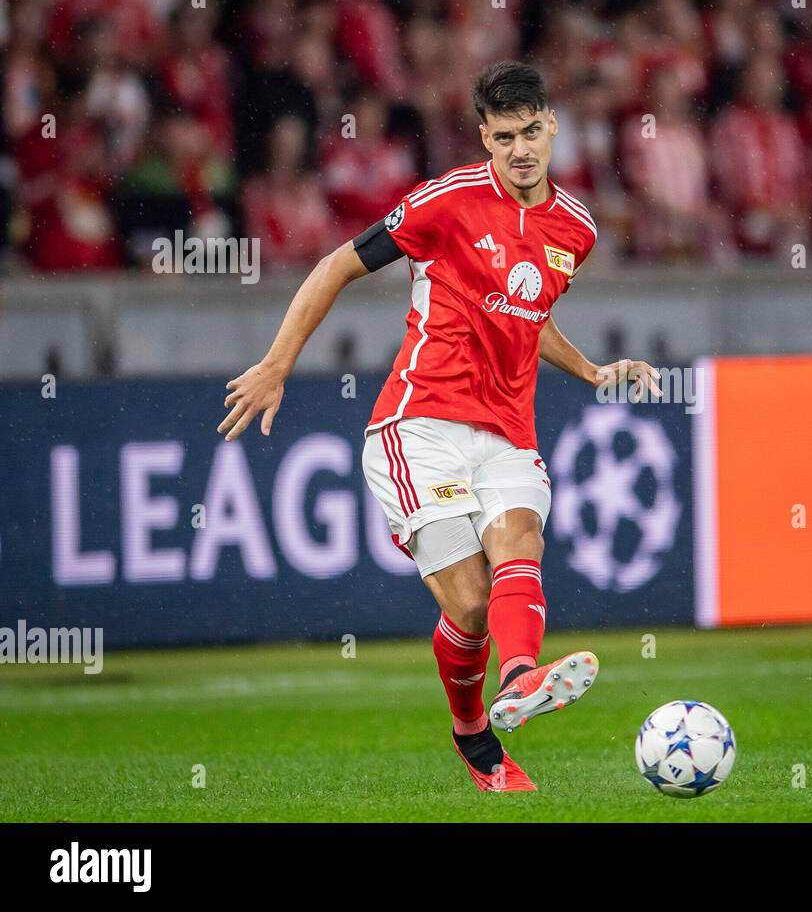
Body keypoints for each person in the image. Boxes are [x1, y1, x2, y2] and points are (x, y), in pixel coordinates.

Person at [218, 61, 659, 792]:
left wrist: (589, 371)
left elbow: (528, 313)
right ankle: (473, 732)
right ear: (484, 139)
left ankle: (519, 678)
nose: (520, 150)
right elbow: (336, 265)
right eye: (503, 137)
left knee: (521, 538)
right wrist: (275, 363)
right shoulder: (445, 201)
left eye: (530, 133)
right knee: (472, 603)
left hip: (510, 432)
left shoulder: (575, 230)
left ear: (553, 126)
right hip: (418, 423)